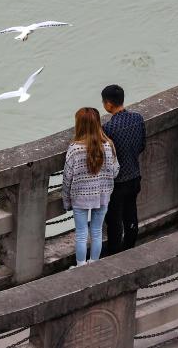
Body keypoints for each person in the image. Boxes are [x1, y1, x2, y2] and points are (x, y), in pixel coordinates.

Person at [62, 108, 119, 266]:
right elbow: (115, 171)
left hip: (80, 197)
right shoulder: (108, 145)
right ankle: (94, 264)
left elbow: (67, 178)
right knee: (97, 232)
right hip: (103, 196)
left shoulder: (74, 149)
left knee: (81, 234)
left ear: (79, 125)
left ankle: (80, 266)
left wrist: (66, 201)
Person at [99, 84, 146, 256]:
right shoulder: (138, 118)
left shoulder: (108, 129)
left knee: (114, 219)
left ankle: (114, 251)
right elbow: (142, 145)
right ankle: (130, 245)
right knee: (131, 213)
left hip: (117, 182)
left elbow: (105, 158)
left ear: (108, 104)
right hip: (134, 175)